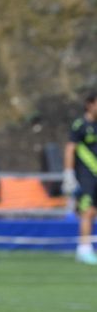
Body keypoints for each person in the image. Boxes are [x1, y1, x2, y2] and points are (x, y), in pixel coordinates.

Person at [63, 92, 97, 265]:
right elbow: (70, 149)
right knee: (87, 210)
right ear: (89, 105)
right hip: (86, 175)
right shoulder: (80, 125)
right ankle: (84, 249)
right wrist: (68, 173)